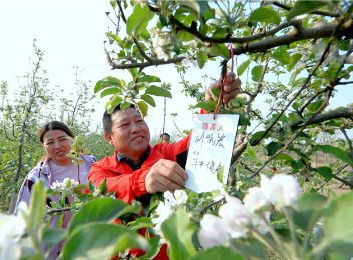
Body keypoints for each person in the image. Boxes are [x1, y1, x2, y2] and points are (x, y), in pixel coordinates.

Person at [87, 73, 241, 259]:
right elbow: (102, 191)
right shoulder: (100, 168)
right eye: (125, 124)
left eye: (139, 120)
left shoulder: (166, 153)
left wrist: (213, 109)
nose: (136, 128)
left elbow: (194, 146)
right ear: (109, 138)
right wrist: (144, 180)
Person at [14, 121, 96, 257]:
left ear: (72, 138)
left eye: (62, 139)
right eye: (50, 142)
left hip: (91, 243)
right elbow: (23, 215)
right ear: (43, 146)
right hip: (56, 250)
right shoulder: (36, 178)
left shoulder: (91, 164)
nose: (58, 146)